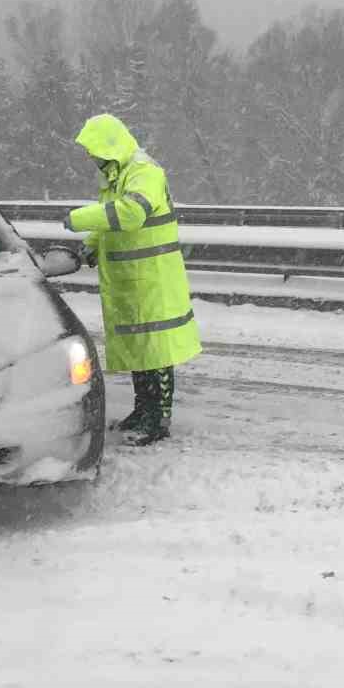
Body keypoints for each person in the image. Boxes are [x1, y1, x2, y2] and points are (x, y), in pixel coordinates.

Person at [62, 113, 201, 446]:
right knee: (141, 349)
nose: (90, 158)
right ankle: (143, 410)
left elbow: (130, 213)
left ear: (109, 146)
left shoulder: (144, 173)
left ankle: (158, 421)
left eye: (93, 150)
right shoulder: (115, 176)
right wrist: (89, 247)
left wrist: (78, 219)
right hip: (133, 280)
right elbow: (109, 221)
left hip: (153, 278)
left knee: (156, 351)